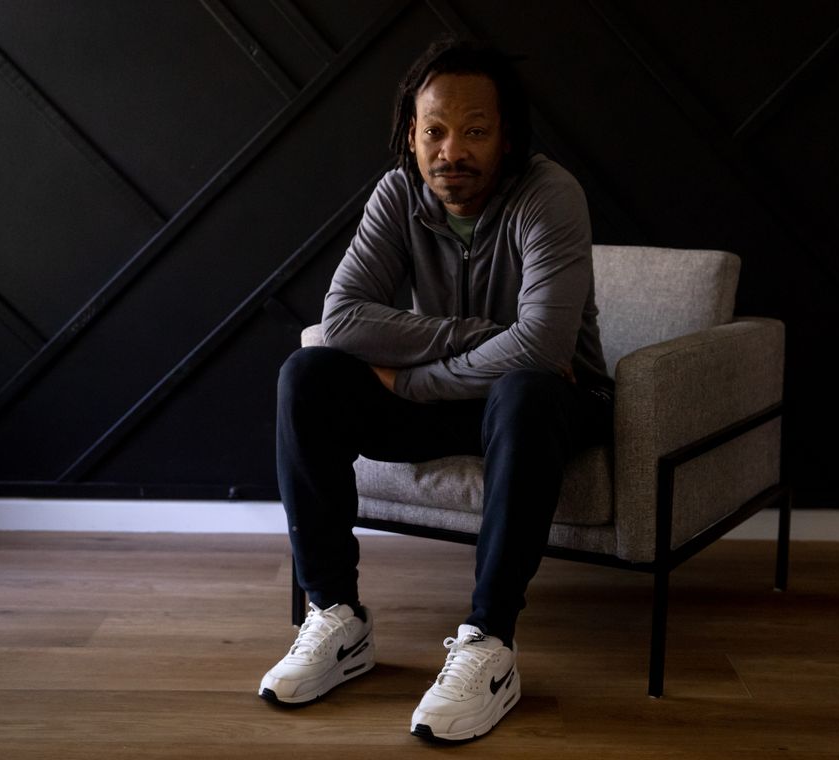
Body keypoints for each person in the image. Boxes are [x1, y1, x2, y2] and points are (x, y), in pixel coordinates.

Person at [259, 38, 614, 742]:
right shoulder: (397, 194)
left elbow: (543, 348)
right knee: (308, 374)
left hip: (553, 406)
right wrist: (474, 334)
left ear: (507, 138)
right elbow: (345, 319)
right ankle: (335, 618)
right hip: (461, 401)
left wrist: (412, 381)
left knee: (525, 387)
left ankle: (489, 644)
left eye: (475, 131)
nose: (453, 151)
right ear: (411, 137)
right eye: (435, 131)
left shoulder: (550, 194)